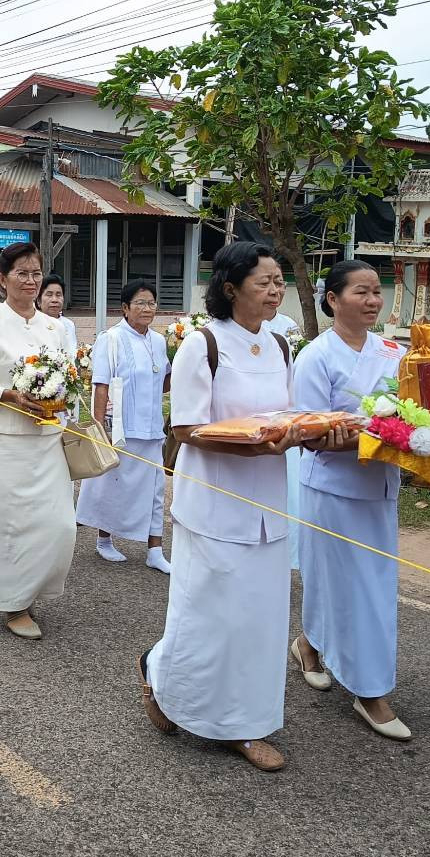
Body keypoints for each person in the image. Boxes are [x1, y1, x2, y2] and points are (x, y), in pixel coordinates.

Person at [139, 241, 304, 772]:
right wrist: (251, 442)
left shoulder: (280, 346)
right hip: (214, 500)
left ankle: (245, 717)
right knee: (210, 611)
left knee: (261, 617)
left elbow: (288, 414)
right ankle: (177, 690)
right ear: (231, 288)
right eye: (265, 282)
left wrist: (309, 433)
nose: (276, 290)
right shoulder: (202, 345)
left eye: (280, 281)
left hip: (269, 502)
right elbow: (186, 427)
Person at [291, 260, 411, 742]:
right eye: (360, 292)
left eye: (376, 292)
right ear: (332, 299)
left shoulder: (395, 352)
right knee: (339, 582)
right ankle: (370, 690)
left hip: (380, 487)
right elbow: (306, 433)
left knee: (375, 585)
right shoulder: (316, 356)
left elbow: (416, 410)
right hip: (332, 489)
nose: (372, 300)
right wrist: (351, 436)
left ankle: (309, 645)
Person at [0, 242, 75, 640]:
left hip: (46, 438)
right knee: (6, 524)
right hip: (4, 439)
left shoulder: (55, 327)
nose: (30, 280)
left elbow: (69, 379)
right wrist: (8, 395)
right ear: (2, 280)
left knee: (58, 524)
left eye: (36, 273)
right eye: (21, 273)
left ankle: (33, 588)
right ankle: (13, 603)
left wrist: (64, 403)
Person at [75, 279, 172, 572]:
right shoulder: (112, 338)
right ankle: (104, 540)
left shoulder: (158, 340)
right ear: (125, 308)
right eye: (140, 303)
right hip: (121, 426)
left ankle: (155, 549)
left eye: (151, 303)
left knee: (155, 487)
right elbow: (100, 383)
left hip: (152, 426)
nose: (147, 308)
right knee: (113, 485)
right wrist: (99, 426)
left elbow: (165, 381)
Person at [37, 273, 78, 353]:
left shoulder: (69, 324)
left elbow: (72, 351)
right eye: (49, 295)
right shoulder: (33, 324)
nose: (54, 300)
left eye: (58, 295)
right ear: (39, 300)